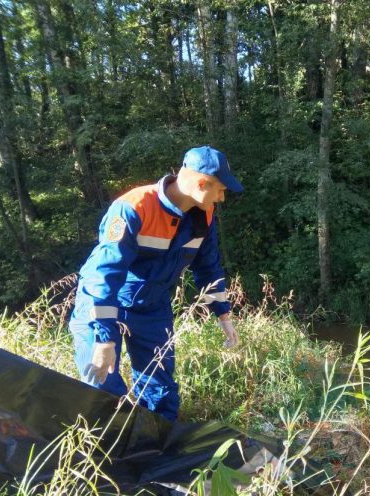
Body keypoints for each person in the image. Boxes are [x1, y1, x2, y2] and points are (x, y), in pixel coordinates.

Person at [69, 146, 243, 421]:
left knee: (159, 389)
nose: (221, 198)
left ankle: (157, 442)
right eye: (220, 190)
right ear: (201, 184)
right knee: (102, 386)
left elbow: (208, 267)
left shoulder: (204, 217)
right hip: (103, 303)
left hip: (153, 306)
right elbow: (103, 274)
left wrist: (223, 315)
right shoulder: (134, 207)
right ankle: (109, 443)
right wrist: (104, 337)